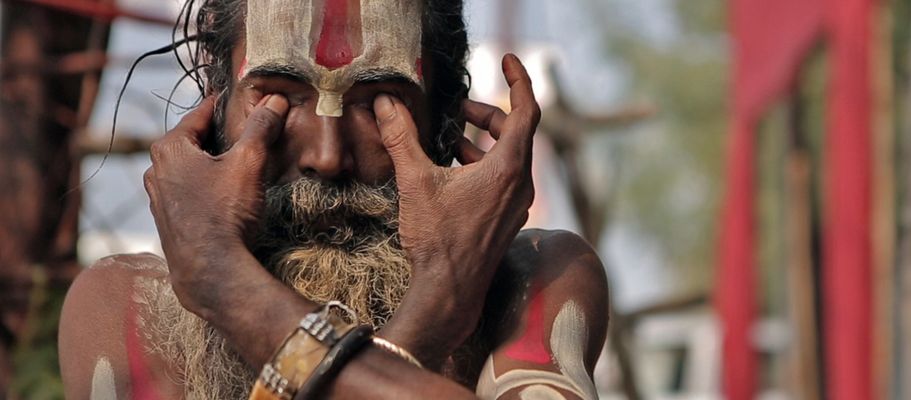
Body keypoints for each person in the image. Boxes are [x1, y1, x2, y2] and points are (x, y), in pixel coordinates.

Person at [58, 0, 609, 398]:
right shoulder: (127, 311)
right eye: (281, 96)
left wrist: (230, 290)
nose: (327, 156)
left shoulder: (538, 282)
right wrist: (432, 315)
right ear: (214, 110)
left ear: (443, 122)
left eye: (379, 102)